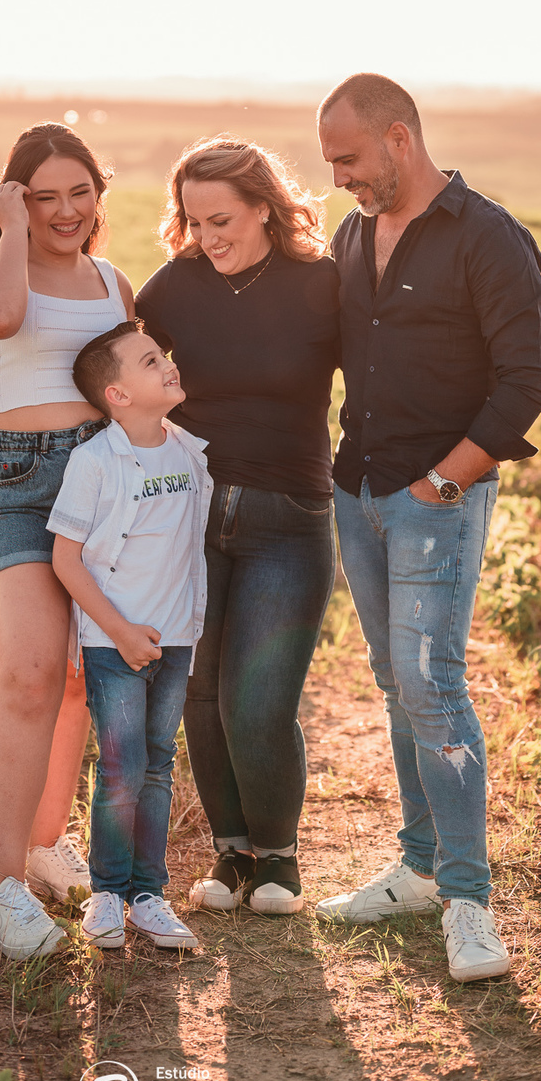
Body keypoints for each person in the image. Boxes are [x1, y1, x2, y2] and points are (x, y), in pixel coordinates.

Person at [314, 73, 541, 983]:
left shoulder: (487, 237)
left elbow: (526, 383)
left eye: (347, 156)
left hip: (435, 502)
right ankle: (418, 868)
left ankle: (468, 900)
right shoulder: (350, 234)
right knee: (393, 682)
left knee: (433, 683)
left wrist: (438, 486)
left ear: (399, 139)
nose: (336, 174)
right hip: (359, 492)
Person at [136, 138, 339, 916]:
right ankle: (231, 851)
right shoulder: (179, 284)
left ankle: (279, 857)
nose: (206, 236)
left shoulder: (322, 285)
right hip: (189, 515)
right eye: (191, 221)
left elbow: (379, 377)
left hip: (289, 518)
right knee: (198, 690)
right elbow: (116, 360)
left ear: (265, 206)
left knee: (258, 700)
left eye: (220, 219)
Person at [0, 123, 135, 960]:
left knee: (74, 681)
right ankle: (4, 889)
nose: (66, 210)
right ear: (15, 200)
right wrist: (12, 231)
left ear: (99, 193)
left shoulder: (111, 280)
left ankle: (45, 840)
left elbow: (128, 388)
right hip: (20, 484)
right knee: (28, 673)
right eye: (43, 196)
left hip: (99, 485)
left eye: (80, 192)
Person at [49, 321, 212, 951]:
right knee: (120, 768)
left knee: (158, 764)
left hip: (173, 640)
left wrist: (171, 633)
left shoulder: (188, 454)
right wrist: (117, 632)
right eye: (150, 362)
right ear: (117, 395)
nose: (167, 364)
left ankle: (150, 895)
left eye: (163, 356)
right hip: (112, 644)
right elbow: (67, 559)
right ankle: (108, 893)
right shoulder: (95, 463)